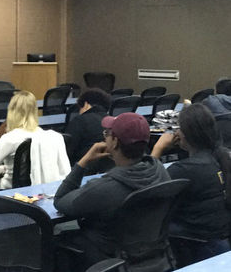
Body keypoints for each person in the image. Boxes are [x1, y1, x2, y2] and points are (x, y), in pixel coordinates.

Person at [53, 112, 171, 269]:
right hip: (150, 256)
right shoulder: (160, 172)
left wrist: (83, 162)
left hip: (109, 257)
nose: (105, 138)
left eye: (107, 134)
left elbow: (60, 200)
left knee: (57, 239)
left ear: (114, 142)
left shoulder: (106, 187)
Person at [150, 104, 231, 267]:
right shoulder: (219, 157)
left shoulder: (184, 170)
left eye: (178, 128)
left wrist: (157, 149)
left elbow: (147, 186)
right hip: (217, 237)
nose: (175, 132)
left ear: (186, 135)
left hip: (196, 241)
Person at [0, 91, 68, 190]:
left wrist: (2, 170)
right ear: (34, 110)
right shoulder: (46, 136)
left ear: (11, 111)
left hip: (9, 191)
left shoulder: (9, 138)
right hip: (38, 189)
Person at [64, 88, 112, 170]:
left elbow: (67, 152)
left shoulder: (79, 121)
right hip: (107, 169)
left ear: (86, 104)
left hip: (82, 169)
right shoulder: (112, 121)